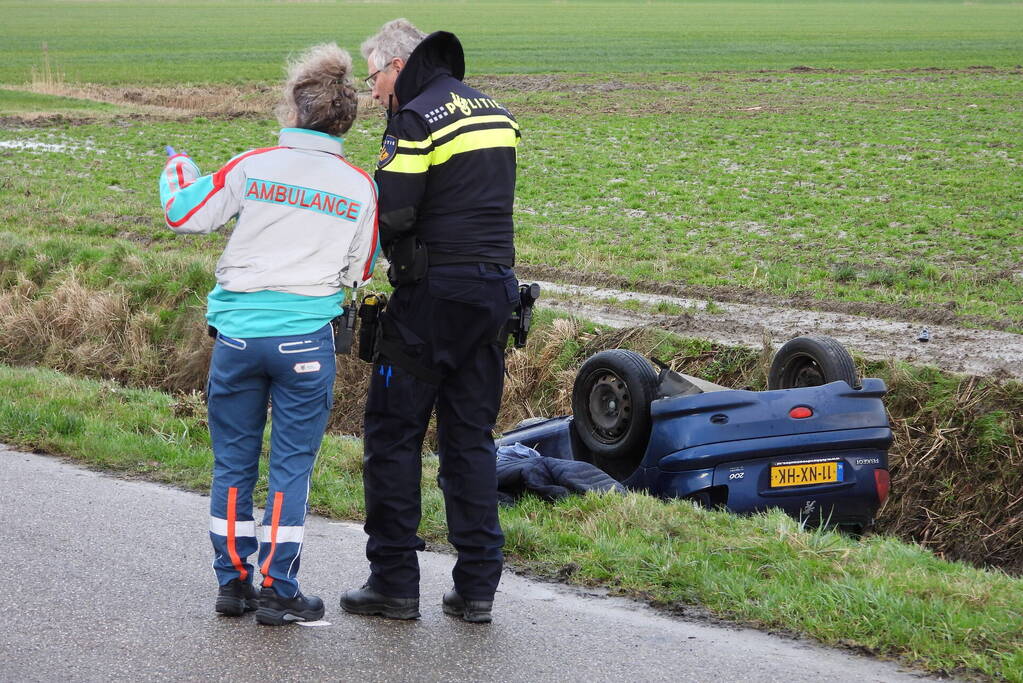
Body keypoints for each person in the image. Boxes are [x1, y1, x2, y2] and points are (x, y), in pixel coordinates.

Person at [158, 44, 378, 625]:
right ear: (346, 121)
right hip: (306, 340)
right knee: (290, 470)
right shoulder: (359, 187)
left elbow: (185, 215)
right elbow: (359, 271)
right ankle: (280, 589)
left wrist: (178, 169)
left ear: (295, 111)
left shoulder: (252, 164)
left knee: (232, 465)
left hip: (235, 337)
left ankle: (233, 582)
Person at [338, 19, 520, 624]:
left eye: (373, 79)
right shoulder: (494, 111)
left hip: (432, 300)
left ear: (396, 66)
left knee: (392, 435)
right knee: (470, 439)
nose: (373, 95)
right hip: (495, 293)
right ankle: (476, 588)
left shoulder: (415, 119)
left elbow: (393, 212)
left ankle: (393, 582)